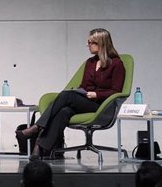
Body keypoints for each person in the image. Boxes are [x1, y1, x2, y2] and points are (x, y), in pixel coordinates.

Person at [17, 28, 126, 160]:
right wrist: (81, 92)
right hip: (86, 101)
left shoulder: (116, 64)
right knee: (64, 111)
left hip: (102, 105)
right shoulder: (90, 63)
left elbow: (116, 91)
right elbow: (84, 86)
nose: (88, 45)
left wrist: (97, 95)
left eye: (91, 42)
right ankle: (39, 148)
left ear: (101, 43)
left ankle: (36, 127)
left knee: (66, 95)